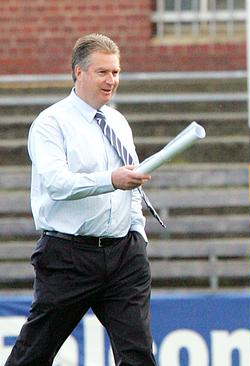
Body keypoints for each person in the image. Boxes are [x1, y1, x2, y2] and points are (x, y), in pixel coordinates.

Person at [5, 33, 158, 365]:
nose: (111, 80)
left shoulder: (117, 121)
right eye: (102, 72)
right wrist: (110, 181)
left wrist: (137, 234)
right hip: (68, 256)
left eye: (115, 72)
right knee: (34, 354)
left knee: (139, 355)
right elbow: (58, 184)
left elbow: (131, 183)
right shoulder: (51, 124)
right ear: (78, 72)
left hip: (123, 254)